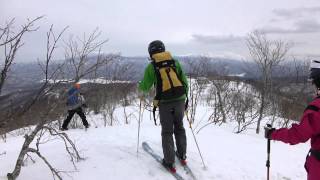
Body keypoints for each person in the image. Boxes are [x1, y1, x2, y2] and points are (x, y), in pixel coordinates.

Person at [138, 40, 189, 173]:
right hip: (179, 100)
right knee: (179, 127)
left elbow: (145, 86)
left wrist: (140, 86)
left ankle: (169, 162)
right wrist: (184, 99)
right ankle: (182, 155)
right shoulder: (174, 62)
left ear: (151, 53)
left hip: (165, 103)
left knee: (167, 132)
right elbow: (184, 81)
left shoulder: (151, 67)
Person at [265, 59, 320, 180]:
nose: (314, 88)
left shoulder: (316, 108)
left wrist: (272, 133)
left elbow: (298, 135)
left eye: (314, 83)